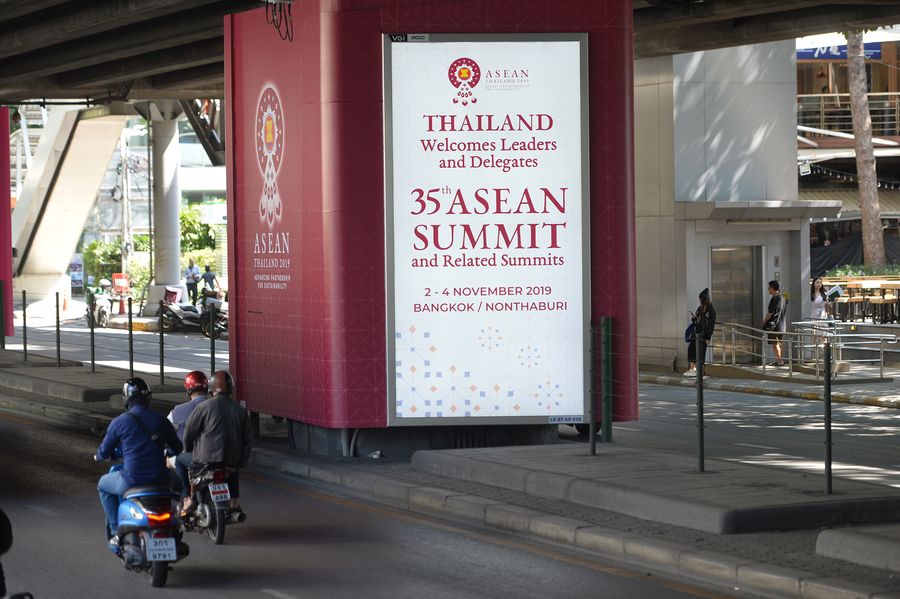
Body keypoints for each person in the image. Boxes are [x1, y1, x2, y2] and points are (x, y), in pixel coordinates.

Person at [96, 378, 182, 554]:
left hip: (131, 480)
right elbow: (177, 448)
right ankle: (176, 524)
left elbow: (103, 452)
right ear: (148, 398)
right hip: (162, 480)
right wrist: (167, 451)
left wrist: (98, 456)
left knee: (102, 486)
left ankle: (116, 531)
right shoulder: (161, 420)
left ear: (126, 398)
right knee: (179, 486)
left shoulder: (119, 422)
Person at [183, 371, 252, 513]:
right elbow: (247, 440)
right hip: (230, 460)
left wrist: (187, 448)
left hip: (205, 460)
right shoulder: (240, 411)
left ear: (211, 388)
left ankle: (188, 499)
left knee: (180, 460)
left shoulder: (203, 407)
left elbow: (189, 431)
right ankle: (234, 502)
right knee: (233, 471)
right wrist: (241, 462)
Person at [166, 371, 209, 512]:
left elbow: (165, 431)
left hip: (195, 457)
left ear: (188, 389)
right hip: (221, 455)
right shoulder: (216, 407)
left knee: (176, 460)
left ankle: (185, 498)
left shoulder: (178, 411)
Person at [684, 288, 717, 377]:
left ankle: (700, 372)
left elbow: (711, 325)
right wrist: (694, 318)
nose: (700, 301)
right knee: (691, 349)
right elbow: (696, 319)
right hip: (696, 333)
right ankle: (692, 369)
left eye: (701, 299)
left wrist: (708, 337)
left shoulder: (711, 311)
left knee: (701, 353)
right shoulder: (700, 308)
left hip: (704, 335)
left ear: (705, 299)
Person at [763, 280, 787, 367]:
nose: (768, 289)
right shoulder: (783, 297)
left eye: (769, 288)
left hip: (774, 326)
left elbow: (770, 313)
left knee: (775, 344)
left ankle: (779, 361)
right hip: (782, 325)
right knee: (779, 343)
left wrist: (764, 322)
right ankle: (779, 360)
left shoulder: (775, 298)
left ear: (773, 288)